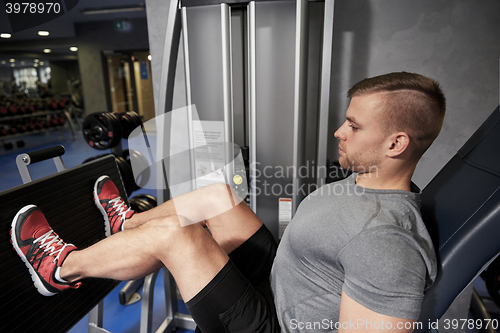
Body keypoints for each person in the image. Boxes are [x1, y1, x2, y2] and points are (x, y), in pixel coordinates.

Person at [11, 71, 446, 333]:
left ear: (396, 143)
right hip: (279, 281)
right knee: (217, 195)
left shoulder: (387, 245)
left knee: (178, 235)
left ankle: (60, 270)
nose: (339, 132)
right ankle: (126, 228)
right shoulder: (368, 182)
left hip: (269, 323)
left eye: (353, 126)